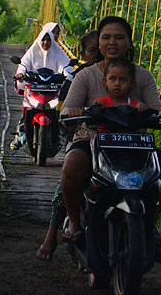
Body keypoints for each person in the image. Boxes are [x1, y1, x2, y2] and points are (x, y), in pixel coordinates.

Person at [59, 16, 161, 263]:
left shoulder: (143, 76)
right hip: (93, 141)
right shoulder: (86, 76)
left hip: (134, 144)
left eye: (119, 37)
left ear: (129, 43)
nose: (112, 42)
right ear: (98, 43)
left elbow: (155, 108)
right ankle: (75, 225)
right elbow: (68, 109)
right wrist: (73, 112)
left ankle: (150, 222)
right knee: (72, 163)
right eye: (106, 37)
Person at [35, 30, 103, 261]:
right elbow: (63, 105)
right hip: (83, 136)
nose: (100, 55)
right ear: (83, 54)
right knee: (66, 179)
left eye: (101, 49)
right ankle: (53, 233)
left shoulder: (124, 72)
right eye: (93, 51)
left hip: (115, 140)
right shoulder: (81, 75)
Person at [10, 28, 73, 150]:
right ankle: (20, 135)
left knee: (60, 112)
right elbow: (24, 64)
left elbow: (64, 65)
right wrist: (20, 73)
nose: (46, 43)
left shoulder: (58, 53)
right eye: (43, 40)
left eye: (49, 40)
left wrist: (66, 73)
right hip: (34, 88)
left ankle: (60, 134)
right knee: (27, 108)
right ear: (39, 40)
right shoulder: (32, 52)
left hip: (52, 89)